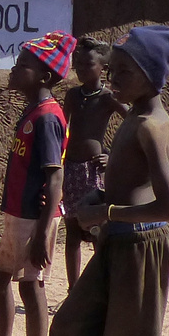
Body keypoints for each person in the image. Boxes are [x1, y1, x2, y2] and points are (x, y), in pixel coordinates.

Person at [27, 25, 169, 336]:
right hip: (119, 240)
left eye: (124, 71)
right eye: (113, 69)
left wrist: (107, 213)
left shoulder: (151, 126)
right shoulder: (134, 117)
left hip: (139, 243)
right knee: (74, 327)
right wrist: (102, 201)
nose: (113, 77)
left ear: (151, 74)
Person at [0, 33, 75, 336]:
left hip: (36, 218)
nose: (14, 70)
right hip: (20, 215)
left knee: (31, 287)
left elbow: (55, 176)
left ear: (45, 76)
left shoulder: (48, 118)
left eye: (23, 66)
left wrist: (42, 232)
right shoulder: (33, 111)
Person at [61, 40, 128, 293]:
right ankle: (73, 290)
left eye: (88, 65)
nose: (81, 69)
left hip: (92, 172)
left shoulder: (107, 98)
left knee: (99, 231)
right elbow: (61, 129)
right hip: (71, 170)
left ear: (103, 68)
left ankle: (102, 287)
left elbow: (133, 121)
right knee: (72, 233)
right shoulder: (73, 95)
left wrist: (112, 156)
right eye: (78, 65)